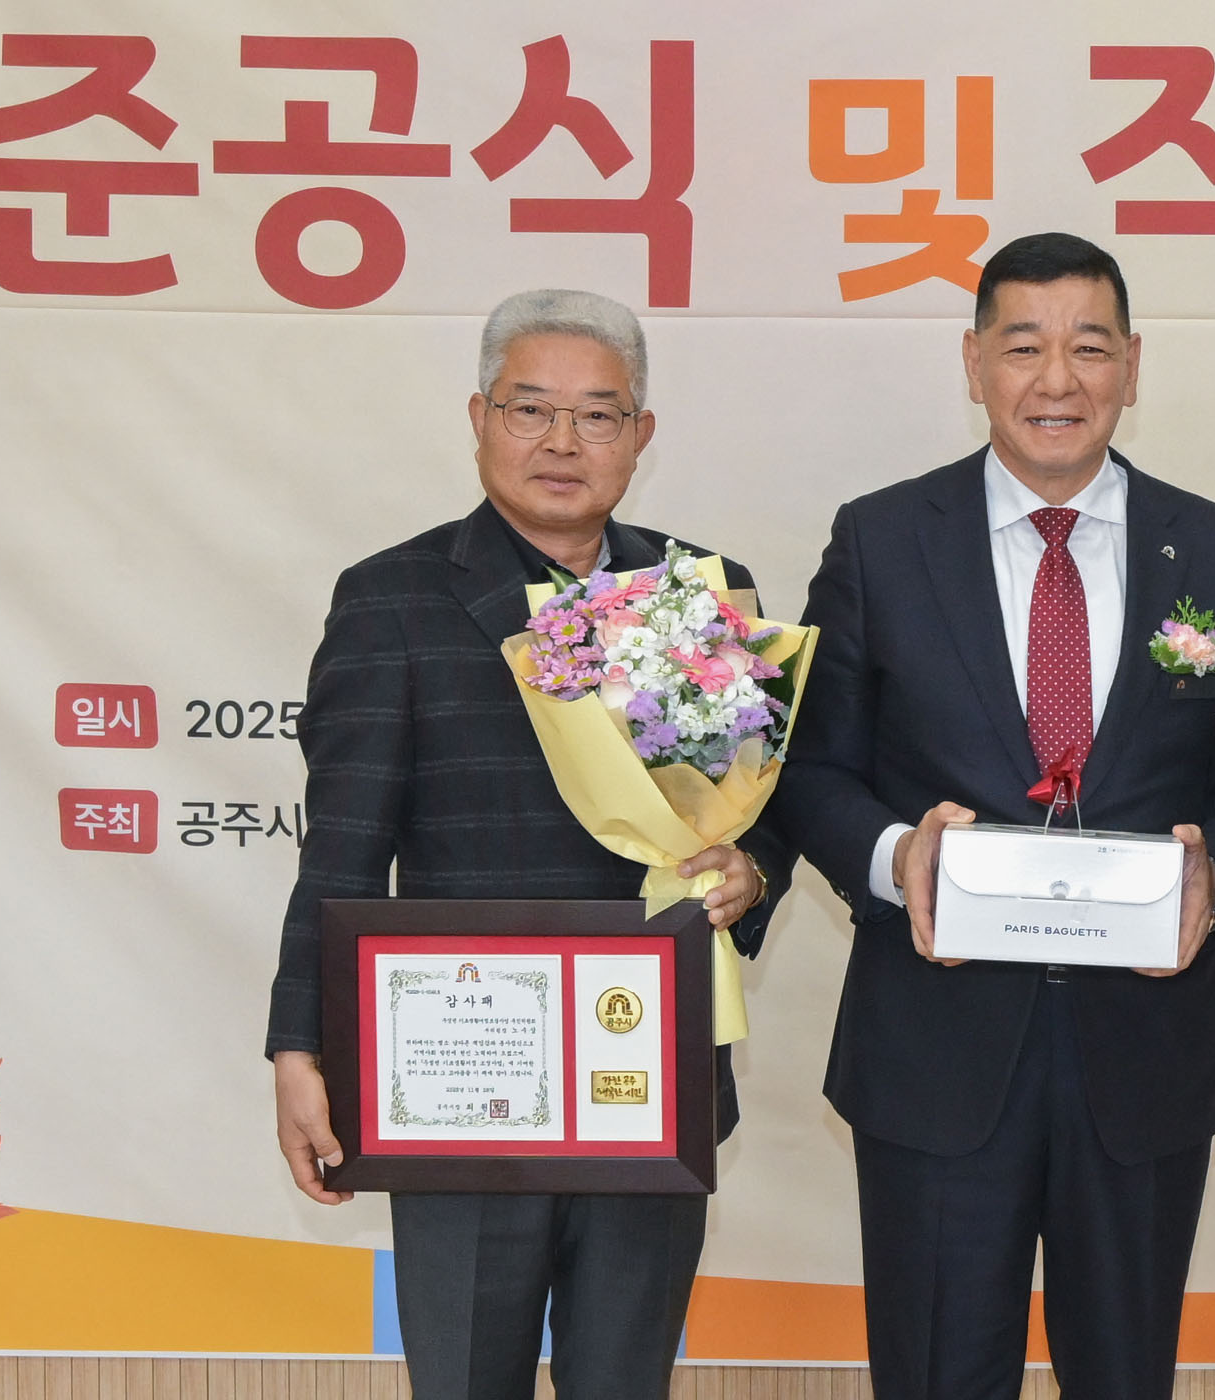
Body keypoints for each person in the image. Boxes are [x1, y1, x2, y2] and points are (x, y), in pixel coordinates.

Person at [771, 232, 1215, 1399]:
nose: (1058, 379)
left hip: (1141, 1059)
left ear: (1133, 366)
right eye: (1023, 347)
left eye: (1089, 348)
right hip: (936, 1053)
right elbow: (809, 766)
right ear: (974, 364)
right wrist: (898, 856)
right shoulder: (881, 540)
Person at [264, 288, 790, 1400]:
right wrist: (300, 1046)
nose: (563, 442)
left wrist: (752, 871)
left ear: (640, 435)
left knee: (626, 1380)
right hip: (461, 1078)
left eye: (598, 415)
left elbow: (761, 803)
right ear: (479, 418)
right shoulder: (393, 598)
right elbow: (341, 851)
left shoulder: (699, 592)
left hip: (648, 1073)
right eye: (530, 409)